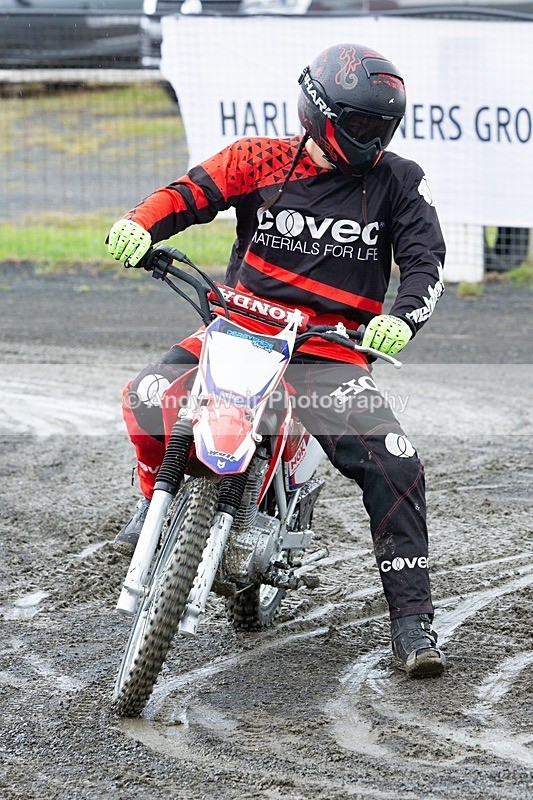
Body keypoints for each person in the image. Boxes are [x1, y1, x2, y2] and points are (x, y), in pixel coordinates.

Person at [107, 42, 446, 677]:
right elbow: (188, 193)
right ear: (320, 112)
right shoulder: (259, 158)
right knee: (148, 397)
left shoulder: (400, 181)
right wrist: (140, 225)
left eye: (385, 127)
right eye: (362, 125)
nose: (374, 139)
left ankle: (412, 624)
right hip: (235, 328)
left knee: (397, 465)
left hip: (327, 353)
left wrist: (400, 321)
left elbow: (426, 264)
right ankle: (154, 497)